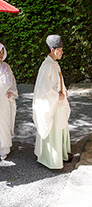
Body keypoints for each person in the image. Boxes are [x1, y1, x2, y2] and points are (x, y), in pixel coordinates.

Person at [33, 35, 71, 169]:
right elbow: (44, 90)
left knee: (60, 127)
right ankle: (51, 159)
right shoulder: (46, 66)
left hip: (58, 102)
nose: (62, 52)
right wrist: (57, 96)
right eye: (60, 49)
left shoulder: (54, 63)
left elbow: (59, 82)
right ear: (52, 49)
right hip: (52, 104)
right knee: (53, 130)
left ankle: (61, 154)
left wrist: (64, 91)